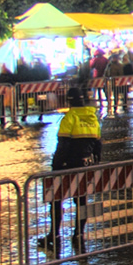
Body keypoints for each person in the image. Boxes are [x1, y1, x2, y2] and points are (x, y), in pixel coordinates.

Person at [44, 83, 102, 252]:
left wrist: (55, 168)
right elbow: (98, 144)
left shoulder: (69, 118)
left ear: (69, 102)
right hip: (85, 165)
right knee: (81, 201)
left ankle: (53, 234)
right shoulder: (92, 117)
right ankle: (79, 233)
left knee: (56, 200)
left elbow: (62, 146)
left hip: (67, 166)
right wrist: (96, 162)